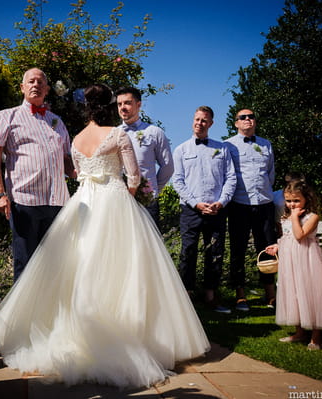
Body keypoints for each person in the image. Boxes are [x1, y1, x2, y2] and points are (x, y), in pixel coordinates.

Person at [0, 84, 210, 389]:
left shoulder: (76, 139)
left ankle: (75, 333)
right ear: (111, 105)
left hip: (83, 204)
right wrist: (129, 196)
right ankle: (131, 334)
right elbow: (133, 178)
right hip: (114, 199)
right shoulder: (118, 135)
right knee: (123, 269)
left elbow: (76, 172)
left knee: (78, 265)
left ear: (86, 108)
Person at [0, 68, 73, 280]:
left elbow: (67, 160)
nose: (36, 85)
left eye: (40, 82)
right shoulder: (6, 117)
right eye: (31, 81)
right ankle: (22, 315)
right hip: (24, 201)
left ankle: (49, 313)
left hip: (57, 202)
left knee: (55, 266)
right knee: (25, 266)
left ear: (47, 90)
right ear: (22, 87)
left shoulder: (57, 122)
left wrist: (91, 176)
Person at [172, 106, 236, 313]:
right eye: (197, 119)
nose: (200, 123)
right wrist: (195, 203)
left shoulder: (223, 149)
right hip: (191, 210)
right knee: (188, 252)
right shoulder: (181, 150)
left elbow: (231, 178)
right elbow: (178, 181)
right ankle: (187, 298)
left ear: (211, 123)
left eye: (204, 120)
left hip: (217, 209)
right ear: (193, 121)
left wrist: (222, 202)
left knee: (215, 253)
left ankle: (211, 297)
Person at [265, 178, 322, 350]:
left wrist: (295, 217)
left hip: (307, 260)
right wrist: (277, 245)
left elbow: (299, 235)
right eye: (288, 201)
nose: (292, 204)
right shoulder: (285, 217)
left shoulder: (313, 217)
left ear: (306, 199)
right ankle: (299, 331)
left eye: (296, 201)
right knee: (294, 292)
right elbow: (287, 237)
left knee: (310, 293)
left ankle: (316, 336)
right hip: (290, 261)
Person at [224, 109, 276, 311]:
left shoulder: (266, 144)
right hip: (239, 204)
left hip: (264, 203)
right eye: (242, 117)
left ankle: (270, 295)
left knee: (267, 249)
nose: (248, 119)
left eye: (251, 116)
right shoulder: (228, 145)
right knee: (238, 250)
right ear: (236, 123)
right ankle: (240, 295)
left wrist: (265, 193)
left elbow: (270, 174)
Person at [116, 86, 174, 227]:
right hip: (118, 201)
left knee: (148, 247)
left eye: (127, 103)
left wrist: (151, 191)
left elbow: (168, 167)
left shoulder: (154, 132)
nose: (123, 107)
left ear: (139, 104)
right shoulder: (113, 134)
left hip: (147, 203)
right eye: (119, 104)